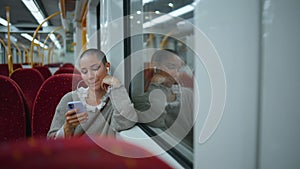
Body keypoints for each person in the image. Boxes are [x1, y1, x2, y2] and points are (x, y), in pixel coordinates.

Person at [47, 49, 137, 139]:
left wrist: (116, 84)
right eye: (84, 72)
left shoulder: (115, 100)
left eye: (95, 69)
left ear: (107, 67)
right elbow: (51, 143)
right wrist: (67, 128)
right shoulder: (69, 99)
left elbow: (126, 122)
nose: (90, 76)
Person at [132, 49, 194, 147]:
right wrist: (156, 84)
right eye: (171, 67)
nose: (176, 73)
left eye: (179, 69)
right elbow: (155, 121)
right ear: (155, 67)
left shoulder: (188, 94)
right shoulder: (146, 99)